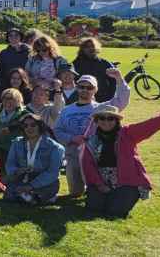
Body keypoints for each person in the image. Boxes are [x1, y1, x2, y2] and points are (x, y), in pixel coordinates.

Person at [54, 69, 129, 197]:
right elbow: (57, 130)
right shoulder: (66, 110)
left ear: (95, 90)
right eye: (82, 87)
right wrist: (72, 138)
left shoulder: (101, 108)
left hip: (96, 157)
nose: (85, 90)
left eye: (89, 88)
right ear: (77, 88)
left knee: (96, 191)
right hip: (73, 155)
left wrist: (119, 79)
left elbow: (122, 100)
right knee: (75, 192)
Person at [81, 105, 160, 218]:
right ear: (97, 121)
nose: (106, 122)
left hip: (126, 181)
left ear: (117, 120)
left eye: (111, 118)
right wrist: (99, 184)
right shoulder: (91, 140)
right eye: (102, 118)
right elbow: (88, 166)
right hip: (101, 180)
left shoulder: (128, 133)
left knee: (115, 212)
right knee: (94, 209)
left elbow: (149, 126)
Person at [4, 113, 64, 204]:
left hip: (44, 180)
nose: (29, 128)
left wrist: (31, 186)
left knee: (49, 187)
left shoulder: (55, 147)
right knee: (10, 194)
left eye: (33, 125)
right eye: (25, 126)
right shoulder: (16, 143)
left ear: (40, 126)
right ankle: (32, 197)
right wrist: (17, 171)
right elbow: (10, 164)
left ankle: (31, 195)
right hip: (22, 178)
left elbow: (52, 173)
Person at [73, 37, 117, 101]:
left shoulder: (104, 63)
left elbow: (114, 80)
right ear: (82, 49)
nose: (91, 48)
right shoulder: (76, 63)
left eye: (92, 46)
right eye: (87, 47)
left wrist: (110, 96)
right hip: (82, 99)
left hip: (103, 99)